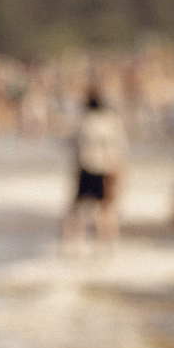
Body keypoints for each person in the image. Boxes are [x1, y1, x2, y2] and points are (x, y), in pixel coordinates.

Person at [64, 85, 126, 249]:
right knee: (106, 209)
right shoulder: (112, 120)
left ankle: (72, 247)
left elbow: (76, 146)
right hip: (107, 168)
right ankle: (107, 246)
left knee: (77, 211)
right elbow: (119, 148)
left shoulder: (85, 120)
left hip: (88, 168)